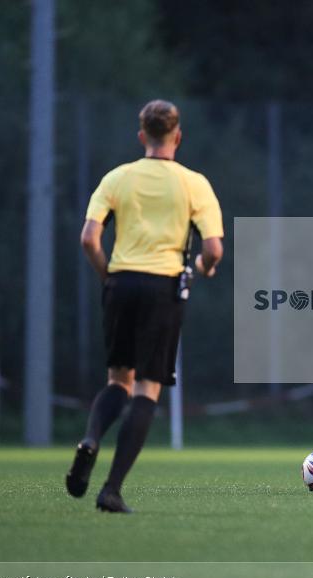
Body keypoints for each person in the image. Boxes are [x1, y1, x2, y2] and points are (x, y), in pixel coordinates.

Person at [65, 99, 224, 513]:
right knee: (147, 388)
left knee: (118, 379)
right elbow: (212, 249)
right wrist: (205, 267)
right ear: (178, 136)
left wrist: (108, 276)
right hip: (163, 287)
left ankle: (90, 437)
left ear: (142, 136)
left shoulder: (118, 177)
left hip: (121, 282)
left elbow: (88, 239)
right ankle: (111, 489)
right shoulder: (193, 183)